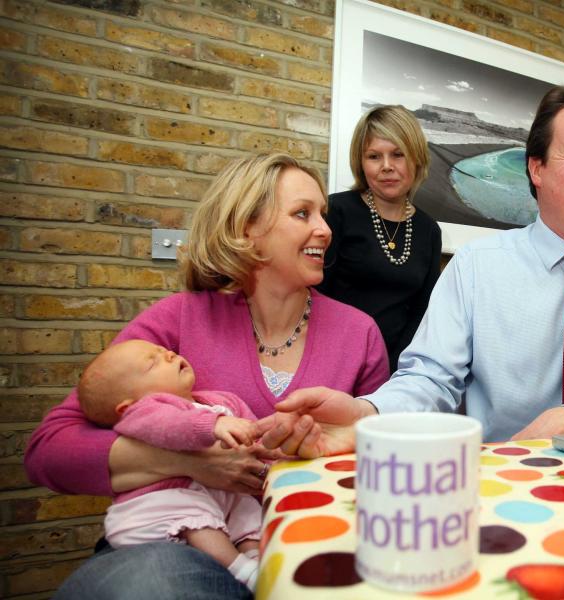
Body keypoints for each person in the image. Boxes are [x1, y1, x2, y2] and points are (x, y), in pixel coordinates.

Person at [264, 80, 564, 455]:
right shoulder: (476, 267)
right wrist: (369, 413)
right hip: (506, 483)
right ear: (536, 168)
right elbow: (432, 379)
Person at [25, 153, 390, 599]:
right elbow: (49, 450)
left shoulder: (359, 333)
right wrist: (190, 463)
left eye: (323, 215)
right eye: (302, 214)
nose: (326, 230)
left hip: (311, 543)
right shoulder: (179, 318)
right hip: (179, 547)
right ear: (246, 231)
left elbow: (380, 459)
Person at [78, 339, 262, 590]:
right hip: (160, 504)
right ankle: (239, 567)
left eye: (165, 351)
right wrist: (212, 425)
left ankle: (254, 554)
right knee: (195, 516)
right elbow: (171, 425)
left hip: (215, 495)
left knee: (246, 509)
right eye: (152, 363)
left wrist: (272, 450)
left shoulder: (219, 401)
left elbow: (256, 436)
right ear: (127, 406)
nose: (169, 355)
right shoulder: (143, 413)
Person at [318, 105, 442, 372]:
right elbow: (315, 296)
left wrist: (395, 369)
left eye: (398, 155)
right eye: (374, 156)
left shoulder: (429, 230)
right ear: (361, 164)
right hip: (332, 359)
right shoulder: (336, 211)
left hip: (395, 368)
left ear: (416, 159)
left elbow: (422, 312)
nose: (387, 167)